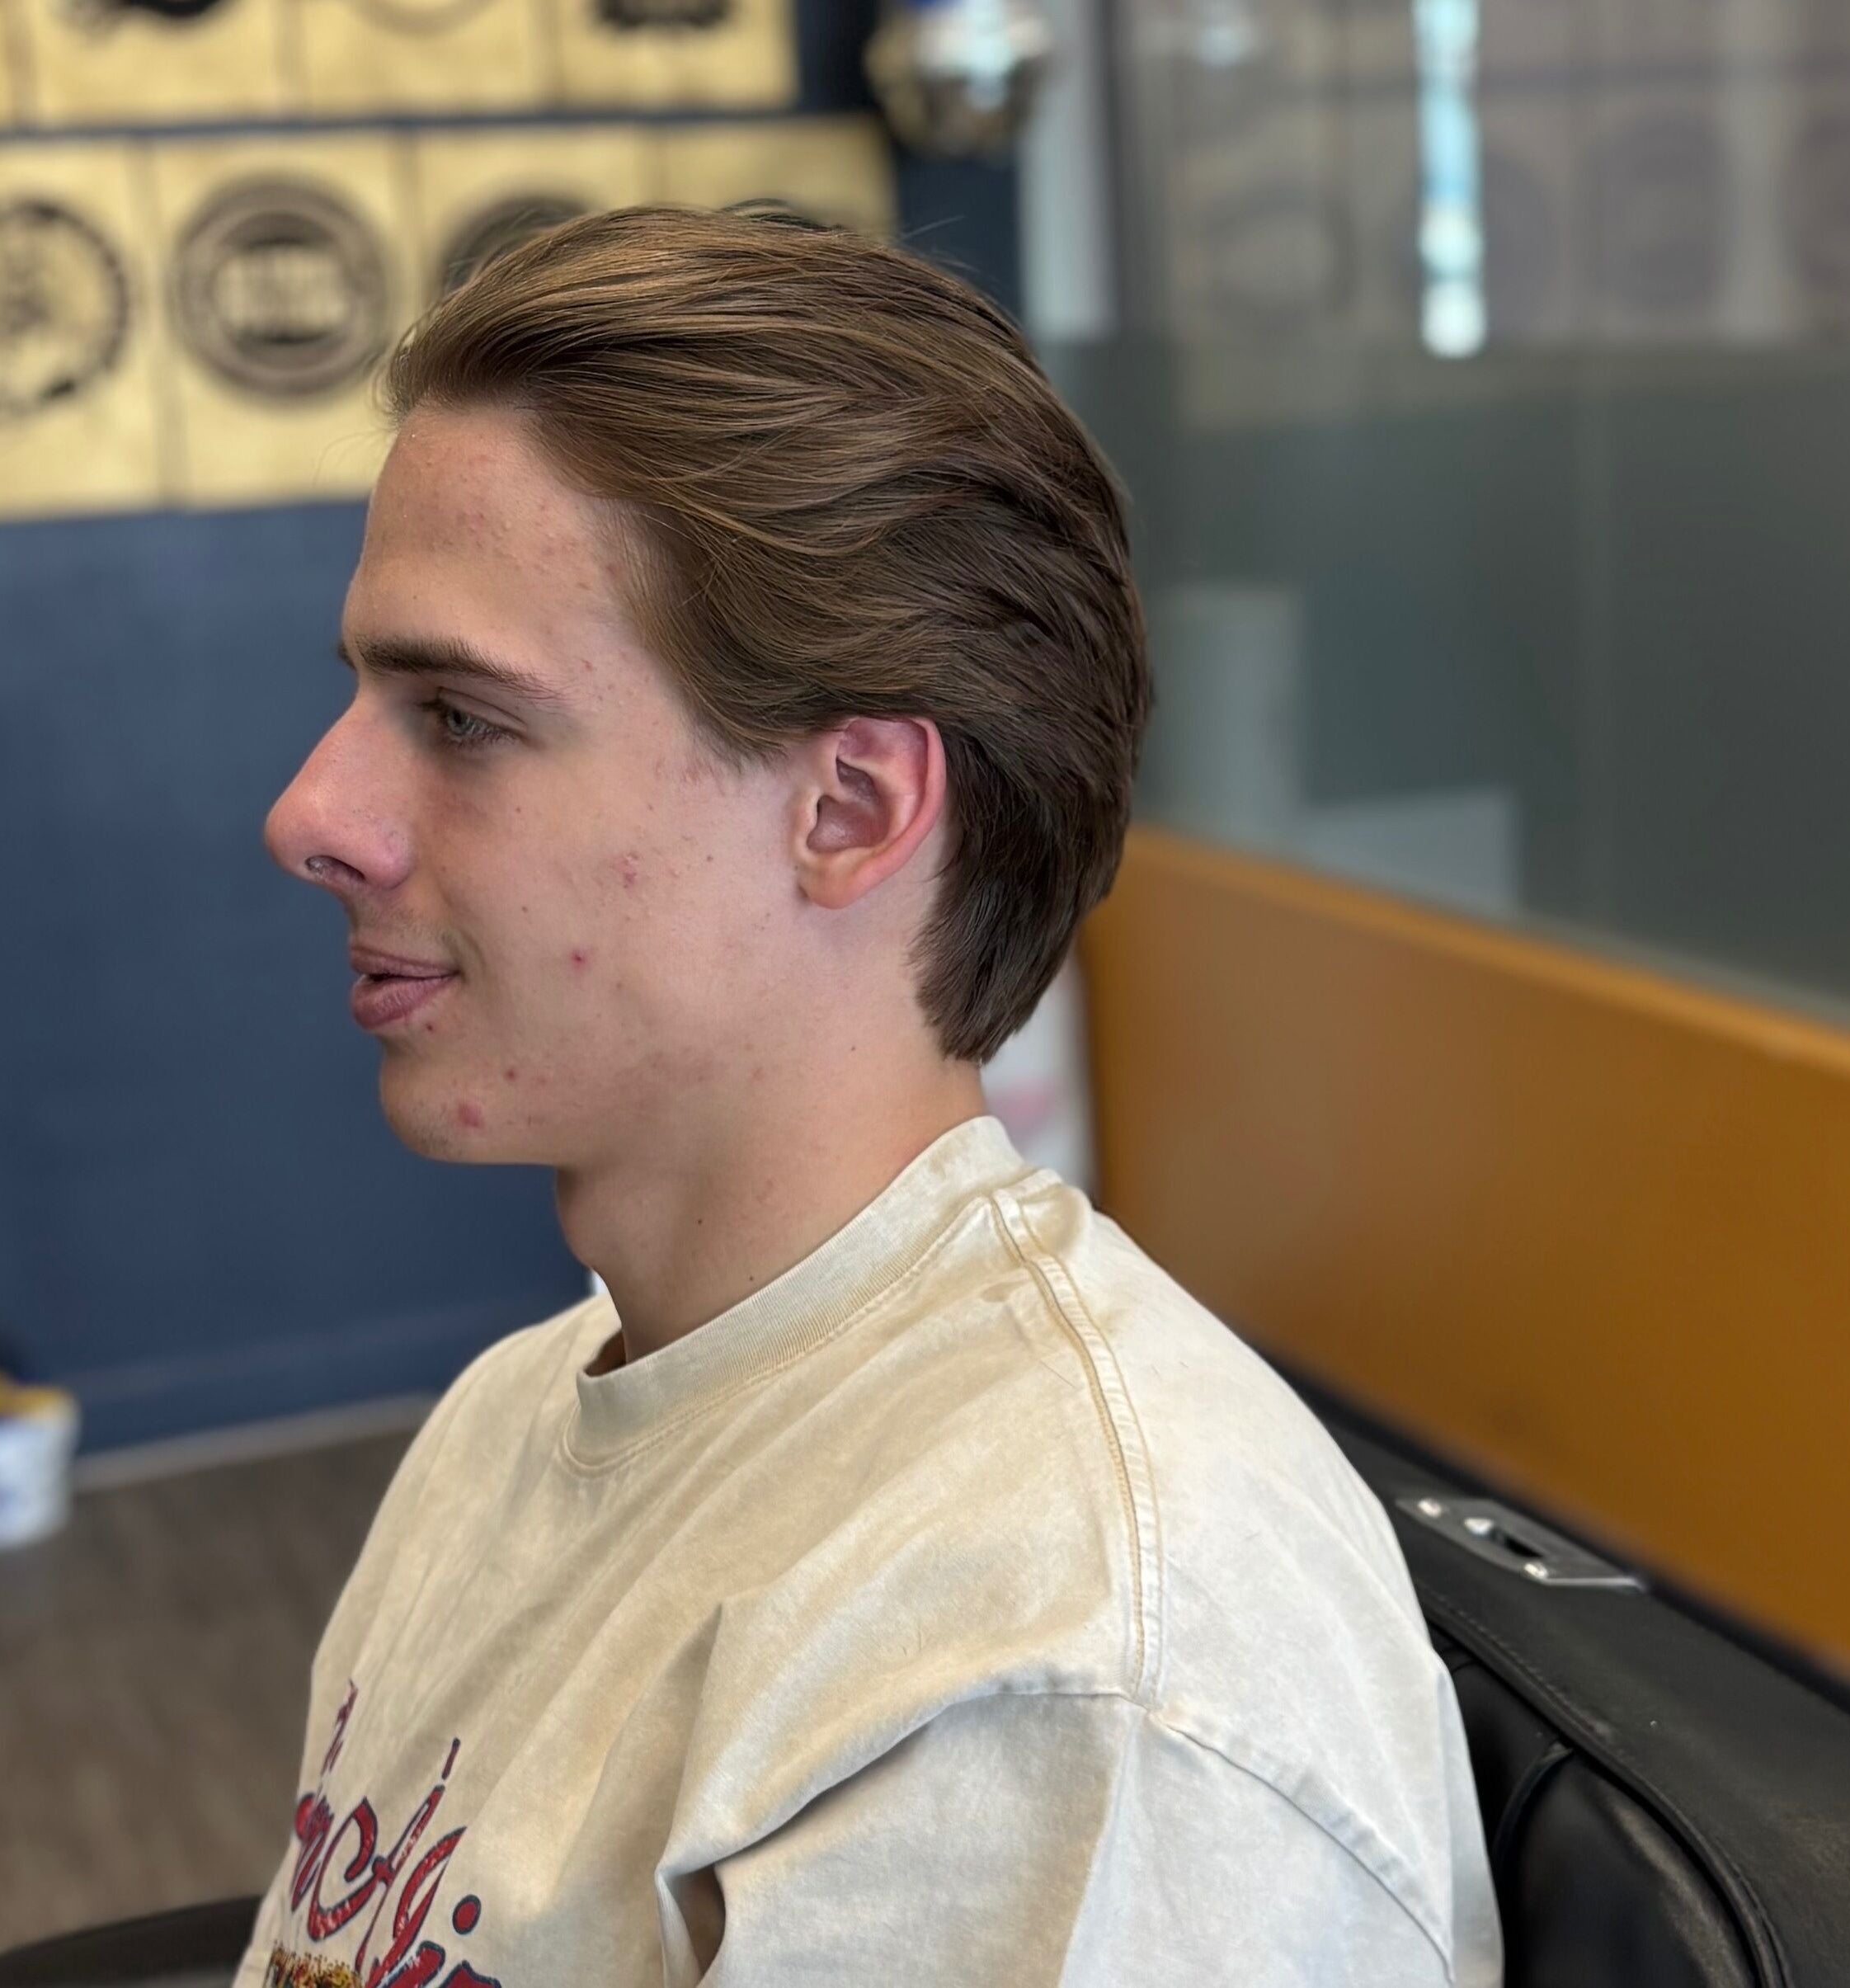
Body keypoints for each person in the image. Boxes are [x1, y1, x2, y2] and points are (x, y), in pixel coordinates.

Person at [251, 205, 1499, 1988]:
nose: (311, 812)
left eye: (459, 718)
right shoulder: (512, 1420)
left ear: (845, 810)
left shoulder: (1057, 1662)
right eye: (363, 699)